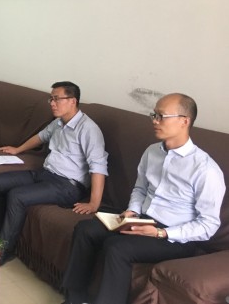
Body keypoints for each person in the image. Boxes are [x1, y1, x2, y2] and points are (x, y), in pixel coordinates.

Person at [61, 93, 225, 304]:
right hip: (143, 218)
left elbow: (208, 225)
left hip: (175, 237)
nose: (155, 121)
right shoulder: (152, 152)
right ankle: (75, 299)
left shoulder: (205, 169)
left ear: (184, 121)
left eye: (161, 116)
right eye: (154, 115)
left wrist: (160, 233)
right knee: (86, 229)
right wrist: (132, 212)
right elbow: (140, 189)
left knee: (117, 248)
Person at [0, 81, 108, 266]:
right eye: (51, 99)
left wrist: (94, 203)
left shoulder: (88, 129)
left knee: (17, 196)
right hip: (46, 174)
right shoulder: (58, 122)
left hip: (67, 186)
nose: (52, 103)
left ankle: (3, 251)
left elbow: (98, 166)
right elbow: (41, 136)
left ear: (72, 101)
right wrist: (18, 149)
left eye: (57, 99)